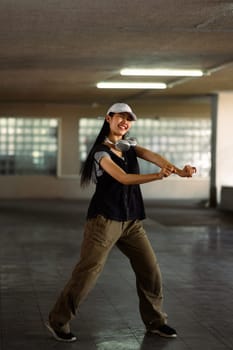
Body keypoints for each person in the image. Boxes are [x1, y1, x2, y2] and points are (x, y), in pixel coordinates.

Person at [46, 102, 196, 342]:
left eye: (129, 118)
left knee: (150, 270)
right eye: (120, 117)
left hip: (131, 221)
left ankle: (156, 322)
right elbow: (123, 178)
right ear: (109, 118)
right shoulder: (100, 152)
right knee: (88, 273)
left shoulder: (129, 146)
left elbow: (153, 156)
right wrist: (157, 176)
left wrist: (179, 171)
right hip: (104, 221)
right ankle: (58, 320)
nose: (125, 121)